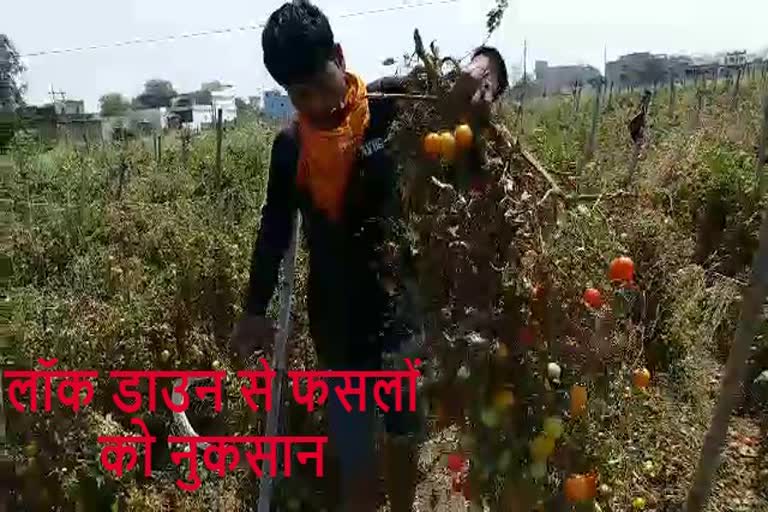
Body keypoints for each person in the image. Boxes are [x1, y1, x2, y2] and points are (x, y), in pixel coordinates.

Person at [230, 2, 508, 510]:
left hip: (401, 319)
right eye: (299, 94)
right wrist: (253, 310)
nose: (313, 103)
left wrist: (486, 64)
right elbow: (273, 231)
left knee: (405, 445)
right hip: (338, 329)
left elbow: (462, 95)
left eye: (319, 82)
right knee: (356, 465)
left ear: (339, 55)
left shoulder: (393, 106)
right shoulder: (290, 148)